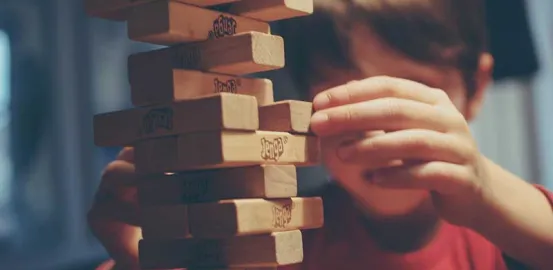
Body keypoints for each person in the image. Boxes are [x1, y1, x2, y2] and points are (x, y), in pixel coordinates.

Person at [88, 0, 553, 269]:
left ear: (476, 89)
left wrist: (488, 190)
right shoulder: (275, 236)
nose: (379, 128)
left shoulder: (513, 235)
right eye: (344, 93)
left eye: (413, 94)